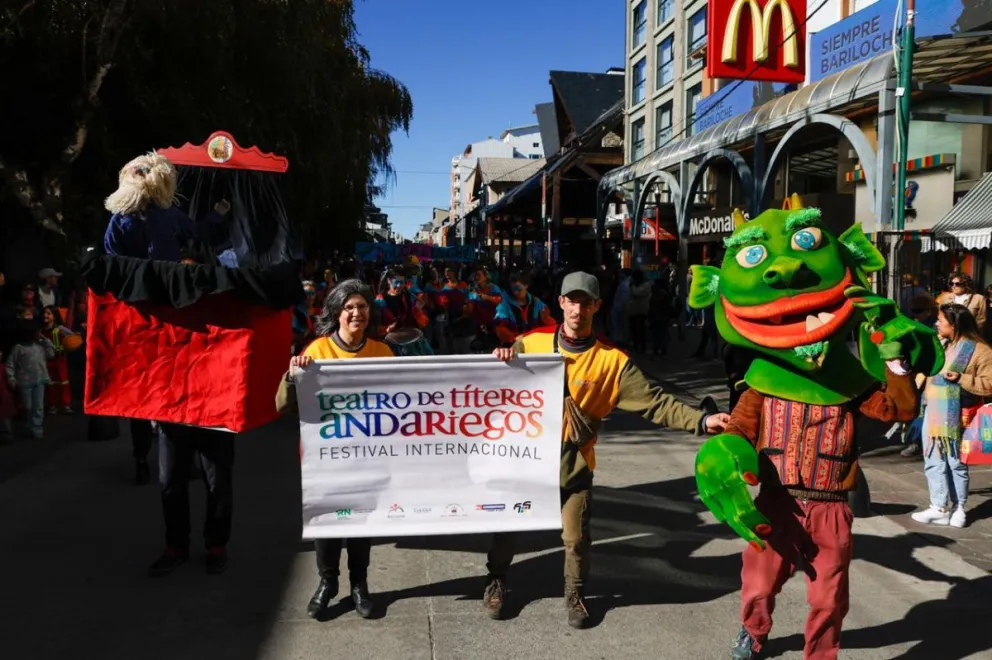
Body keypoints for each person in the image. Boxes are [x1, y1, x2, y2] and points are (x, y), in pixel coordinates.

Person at [488, 271, 730, 628]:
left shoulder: (612, 361)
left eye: (586, 302)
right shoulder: (531, 343)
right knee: (507, 530)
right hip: (526, 465)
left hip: (575, 465)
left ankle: (575, 592)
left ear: (597, 306)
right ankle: (497, 581)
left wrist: (701, 421)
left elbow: (655, 403)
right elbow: (488, 387)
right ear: (561, 303)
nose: (578, 309)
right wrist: (501, 356)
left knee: (575, 538)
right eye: (572, 300)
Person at [275, 279, 390, 619]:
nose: (357, 313)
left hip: (368, 456)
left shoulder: (382, 353)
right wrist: (293, 375)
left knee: (361, 525)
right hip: (325, 458)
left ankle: (359, 585)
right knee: (327, 523)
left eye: (363, 307)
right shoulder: (317, 351)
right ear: (337, 313)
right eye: (349, 307)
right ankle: (328, 583)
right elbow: (284, 405)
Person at [911, 304, 992, 528]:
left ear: (954, 324)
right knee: (933, 461)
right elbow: (926, 373)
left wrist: (960, 378)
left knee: (956, 463)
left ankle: (959, 508)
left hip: (958, 416)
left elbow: (990, 384)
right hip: (932, 412)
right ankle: (938, 507)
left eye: (941, 319)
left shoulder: (981, 350)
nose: (937, 323)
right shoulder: (941, 345)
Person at [102, 152, 231, 261]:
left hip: (167, 280)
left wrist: (217, 214)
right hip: (138, 283)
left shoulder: (168, 214)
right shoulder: (119, 220)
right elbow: (114, 256)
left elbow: (196, 231)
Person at [5, 319, 55, 439]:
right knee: (27, 407)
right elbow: (10, 364)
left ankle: (37, 428)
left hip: (40, 380)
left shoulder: (40, 345)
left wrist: (45, 340)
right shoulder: (18, 348)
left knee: (38, 407)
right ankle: (29, 426)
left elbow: (51, 354)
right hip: (24, 382)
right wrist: (11, 379)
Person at [493, 272, 554, 347]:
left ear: (526, 285)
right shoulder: (504, 304)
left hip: (533, 343)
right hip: (512, 346)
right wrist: (514, 338)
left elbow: (548, 320)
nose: (516, 292)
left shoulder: (536, 302)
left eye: (518, 289)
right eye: (513, 289)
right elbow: (499, 328)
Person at [40, 306, 76, 415]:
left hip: (60, 359)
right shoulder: (41, 331)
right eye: (44, 313)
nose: (45, 315)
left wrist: (68, 342)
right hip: (48, 360)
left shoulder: (59, 329)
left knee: (63, 382)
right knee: (51, 383)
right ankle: (52, 404)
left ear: (54, 316)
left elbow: (72, 337)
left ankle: (66, 404)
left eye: (48, 313)